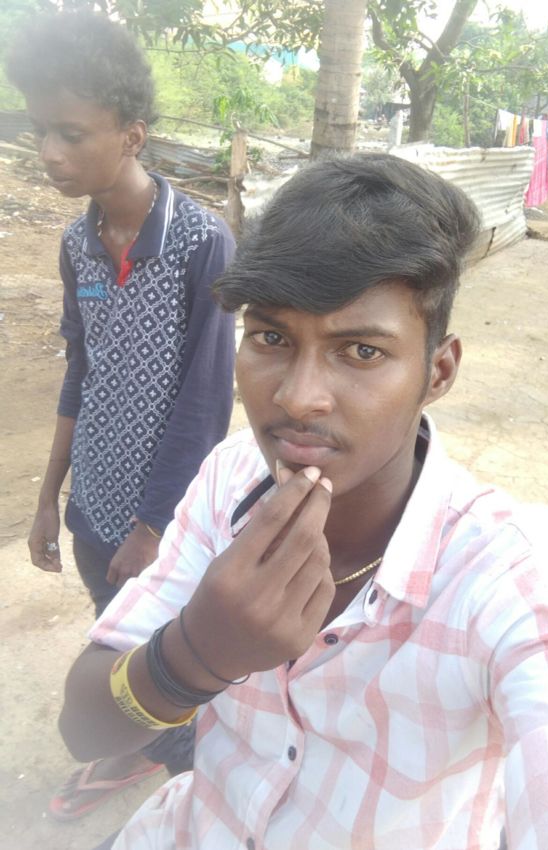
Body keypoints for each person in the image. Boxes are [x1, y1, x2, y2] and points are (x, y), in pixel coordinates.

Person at [59, 154, 548, 850]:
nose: (298, 397)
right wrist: (196, 654)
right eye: (271, 338)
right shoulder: (229, 479)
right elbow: (84, 729)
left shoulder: (519, 577)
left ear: (438, 372)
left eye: (361, 352)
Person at [5, 11, 236, 822]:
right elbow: (82, 372)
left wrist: (152, 528)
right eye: (41, 131)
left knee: (167, 652)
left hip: (163, 520)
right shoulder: (78, 245)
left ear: (132, 136)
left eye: (71, 133)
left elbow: (205, 402)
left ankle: (195, 781)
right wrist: (48, 497)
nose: (49, 152)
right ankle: (144, 745)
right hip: (92, 506)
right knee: (113, 632)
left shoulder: (201, 243)